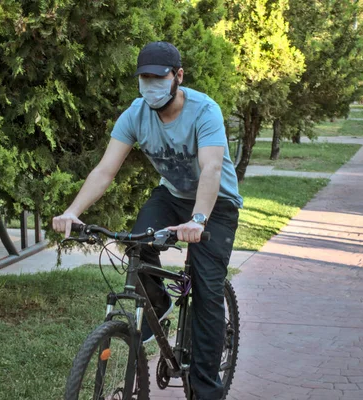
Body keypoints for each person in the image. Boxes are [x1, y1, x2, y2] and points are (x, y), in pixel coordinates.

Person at [52, 41, 242, 400]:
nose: (151, 84)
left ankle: (206, 390)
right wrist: (72, 212)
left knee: (205, 290)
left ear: (178, 77)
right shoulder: (135, 114)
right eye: (144, 78)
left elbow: (212, 168)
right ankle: (156, 302)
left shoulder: (205, 111)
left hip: (216, 204)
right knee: (137, 240)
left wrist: (198, 219)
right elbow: (105, 170)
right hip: (172, 196)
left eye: (159, 77)